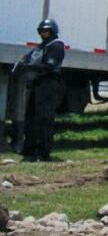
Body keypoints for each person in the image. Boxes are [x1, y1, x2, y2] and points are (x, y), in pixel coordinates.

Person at [13, 19, 65, 162]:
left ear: (52, 31)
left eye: (46, 31)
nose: (43, 34)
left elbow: (49, 66)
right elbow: (29, 59)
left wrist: (30, 67)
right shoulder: (41, 47)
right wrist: (21, 65)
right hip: (36, 85)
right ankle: (29, 151)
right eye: (41, 31)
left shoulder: (56, 46)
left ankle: (43, 152)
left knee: (44, 119)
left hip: (48, 85)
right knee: (30, 118)